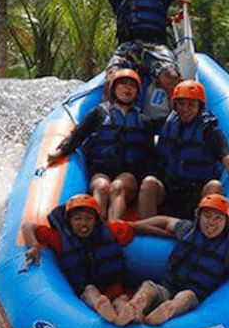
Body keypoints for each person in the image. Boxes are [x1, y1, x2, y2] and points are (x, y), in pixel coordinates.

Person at [116, 194, 229, 326]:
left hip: (194, 296)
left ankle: (164, 313)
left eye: (218, 218)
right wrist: (132, 225)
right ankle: (135, 308)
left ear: (226, 223)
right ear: (199, 216)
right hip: (167, 287)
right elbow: (164, 221)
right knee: (148, 287)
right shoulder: (187, 230)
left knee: (185, 296)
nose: (211, 222)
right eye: (207, 216)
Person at [137, 80, 229, 219]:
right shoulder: (167, 125)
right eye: (181, 104)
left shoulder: (210, 132)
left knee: (214, 186)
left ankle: (201, 233)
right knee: (149, 183)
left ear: (199, 107)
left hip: (197, 193)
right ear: (175, 105)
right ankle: (145, 231)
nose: (186, 109)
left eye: (191, 104)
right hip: (170, 190)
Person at [48, 68, 153, 221]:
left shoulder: (144, 121)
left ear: (137, 92)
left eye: (132, 86)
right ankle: (95, 227)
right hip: (101, 170)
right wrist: (61, 152)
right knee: (101, 186)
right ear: (114, 89)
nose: (127, 89)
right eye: (123, 85)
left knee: (118, 186)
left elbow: (150, 153)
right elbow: (78, 135)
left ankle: (114, 227)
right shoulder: (99, 113)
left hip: (129, 174)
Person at [21, 194, 135, 324]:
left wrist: (162, 229)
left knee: (121, 300)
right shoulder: (59, 239)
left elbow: (133, 228)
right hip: (85, 291)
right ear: (69, 221)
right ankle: (102, 306)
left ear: (96, 221)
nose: (84, 224)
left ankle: (124, 312)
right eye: (78, 219)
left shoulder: (110, 231)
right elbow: (28, 226)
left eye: (89, 219)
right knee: (90, 290)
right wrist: (34, 246)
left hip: (114, 290)